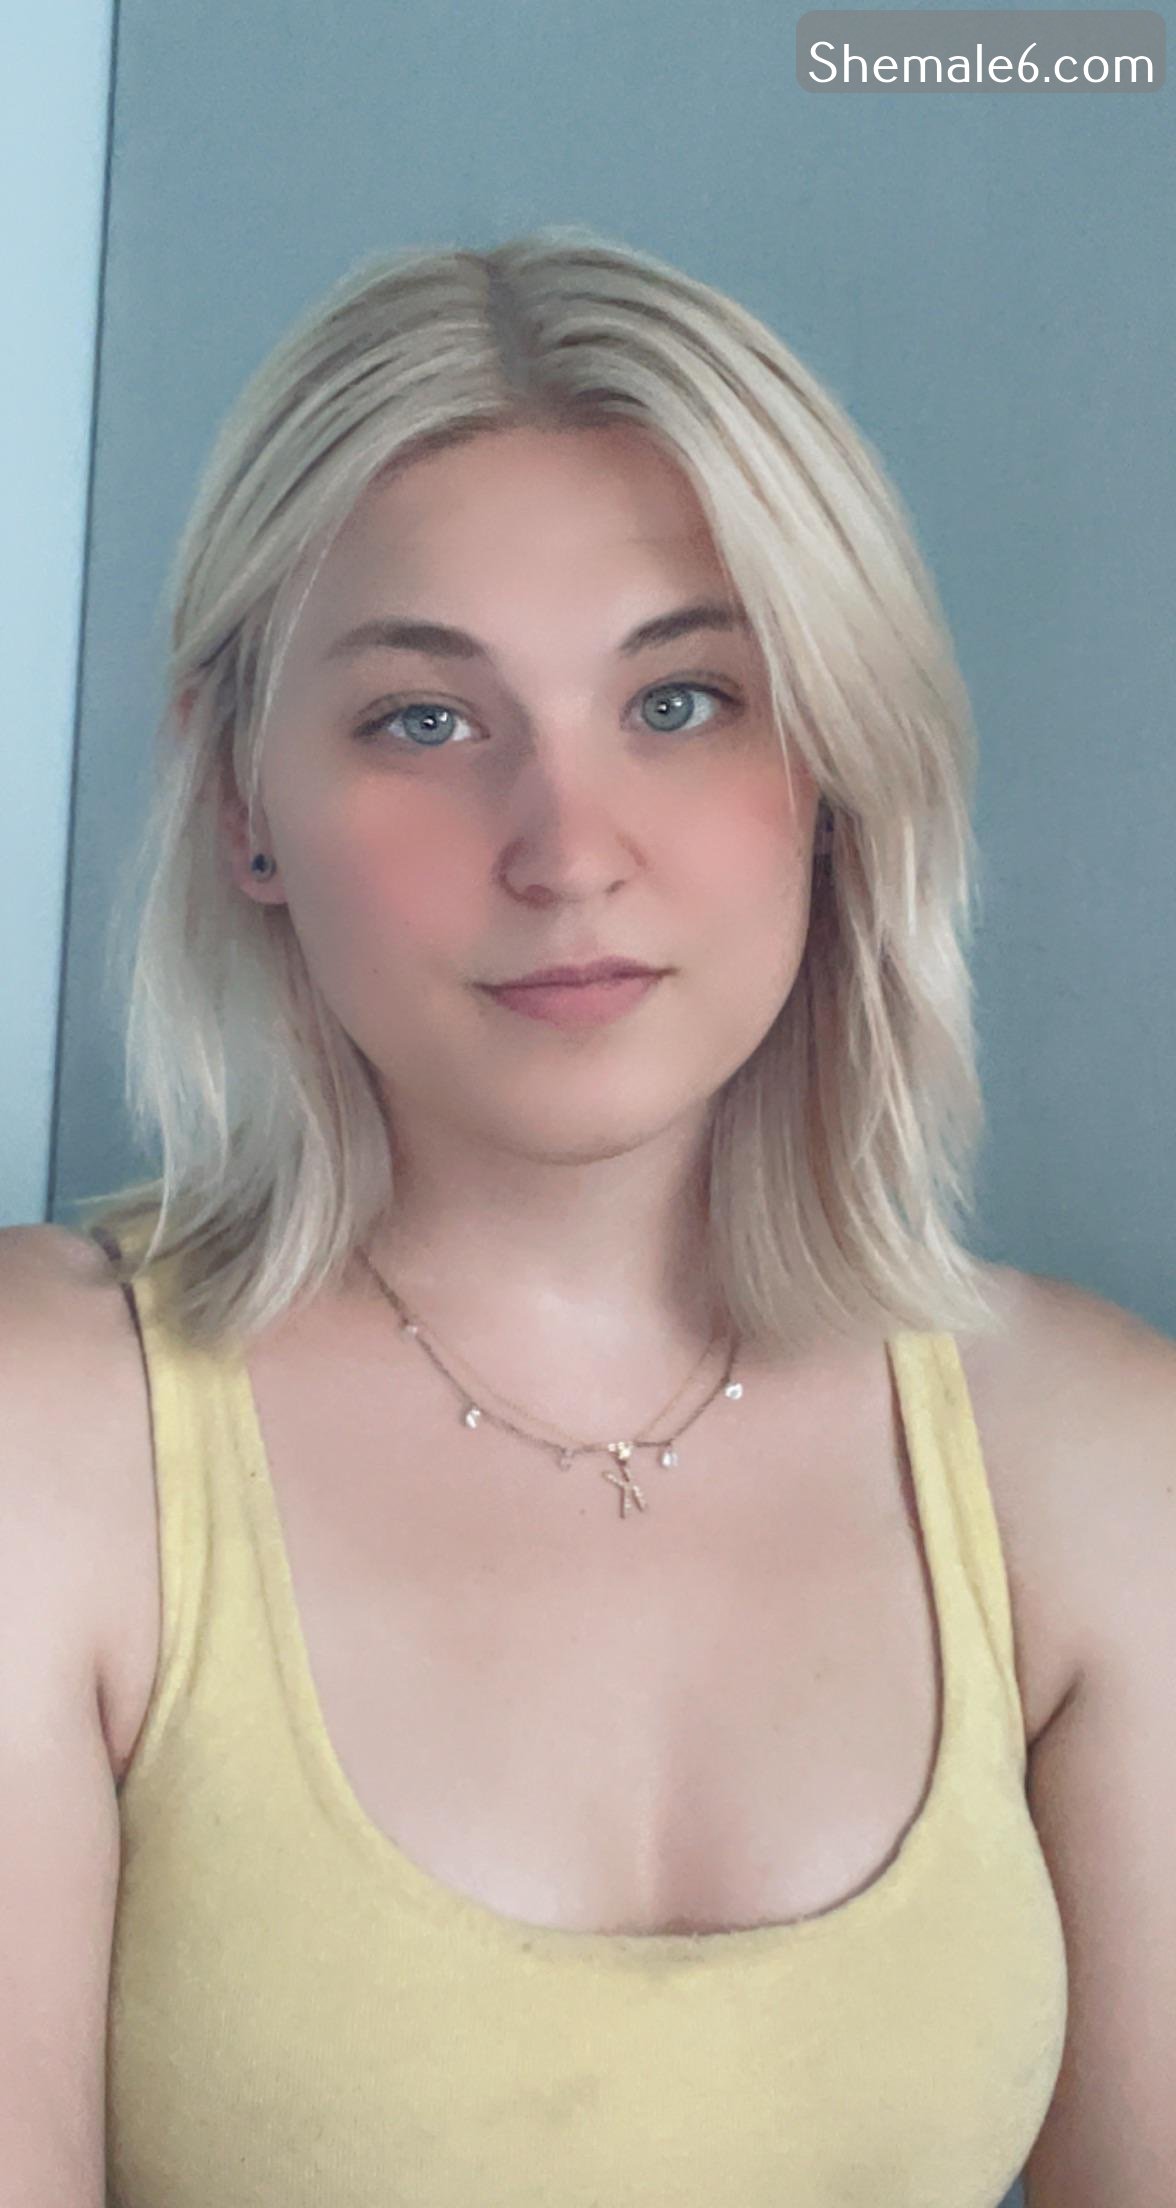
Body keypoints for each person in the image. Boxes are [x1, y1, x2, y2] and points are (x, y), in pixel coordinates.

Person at [2, 225, 1172, 2208]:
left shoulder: (1098, 1461)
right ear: (243, 805)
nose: (565, 852)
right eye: (424, 720)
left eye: (683, 701)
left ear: (837, 767)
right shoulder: (48, 1439)